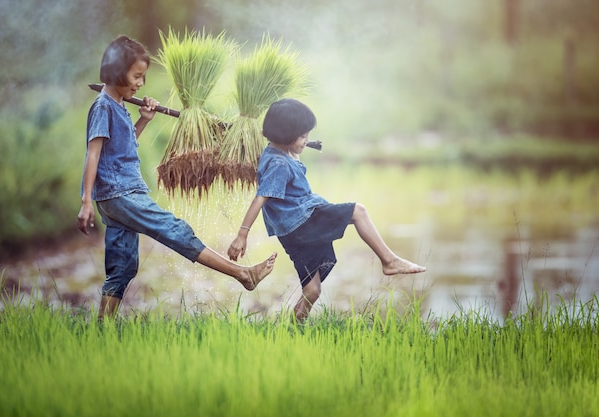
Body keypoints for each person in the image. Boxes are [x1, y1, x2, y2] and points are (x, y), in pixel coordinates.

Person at [77, 35, 277, 319]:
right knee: (174, 229)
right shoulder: (102, 107)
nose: (140, 84)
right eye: (136, 76)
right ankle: (242, 274)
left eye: (143, 77)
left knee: (123, 266)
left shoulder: (119, 104)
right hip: (119, 194)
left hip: (124, 193)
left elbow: (120, 148)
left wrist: (144, 119)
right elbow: (93, 154)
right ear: (116, 71)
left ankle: (102, 329)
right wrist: (86, 201)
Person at [228, 98, 426, 322]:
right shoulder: (279, 165)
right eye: (303, 136)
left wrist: (299, 145)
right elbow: (261, 197)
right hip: (303, 221)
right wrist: (242, 234)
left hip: (291, 233)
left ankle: (293, 329)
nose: (307, 140)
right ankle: (389, 261)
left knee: (312, 291)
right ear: (285, 136)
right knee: (358, 211)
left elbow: (287, 151)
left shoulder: (276, 152)